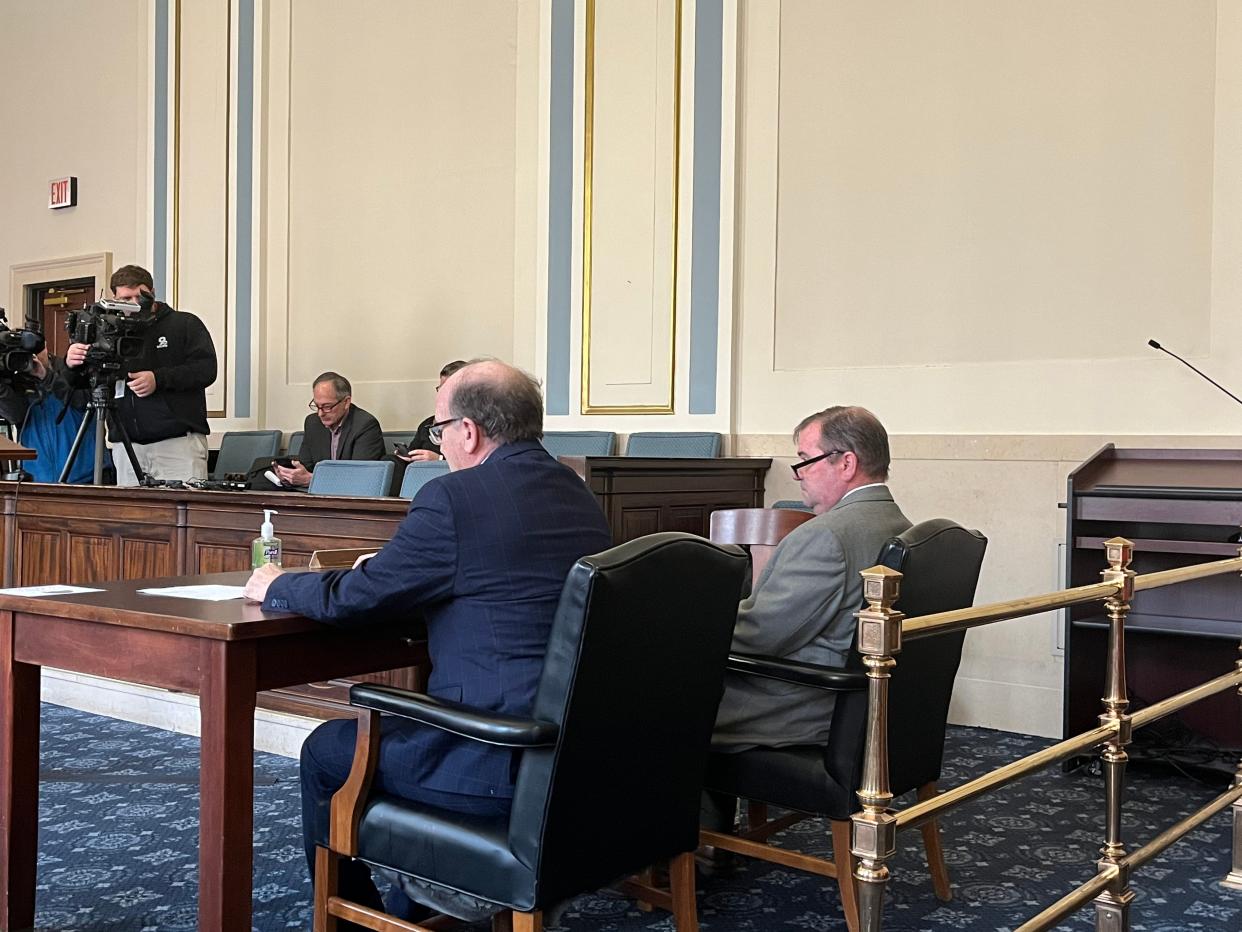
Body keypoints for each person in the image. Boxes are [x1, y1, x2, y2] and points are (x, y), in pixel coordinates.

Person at [242, 359, 611, 923]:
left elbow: (356, 598)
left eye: (439, 430)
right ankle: (420, 896)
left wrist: (278, 584)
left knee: (325, 750)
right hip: (578, 747)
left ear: (469, 432)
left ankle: (353, 916)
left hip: (494, 753)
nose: (439, 442)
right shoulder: (578, 494)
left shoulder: (454, 498)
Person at [712, 405, 913, 752]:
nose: (797, 475)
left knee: (658, 707)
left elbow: (759, 636)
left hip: (800, 708)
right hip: (868, 705)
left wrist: (686, 631)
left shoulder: (825, 538)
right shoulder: (903, 527)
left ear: (846, 463)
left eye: (805, 461)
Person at [64, 264, 217, 486]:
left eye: (140, 296)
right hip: (126, 445)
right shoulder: (107, 332)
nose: (135, 304)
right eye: (126, 299)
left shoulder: (184, 324)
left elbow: (206, 369)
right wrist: (72, 364)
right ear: (114, 297)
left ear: (152, 293)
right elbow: (78, 387)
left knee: (183, 517)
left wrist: (158, 379)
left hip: (176, 443)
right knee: (131, 518)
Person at [270, 371, 385, 488]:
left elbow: (360, 477)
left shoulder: (365, 425)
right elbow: (306, 466)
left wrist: (312, 480)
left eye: (327, 407)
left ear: (346, 402)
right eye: (316, 406)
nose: (320, 414)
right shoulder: (312, 423)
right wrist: (290, 476)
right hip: (315, 497)